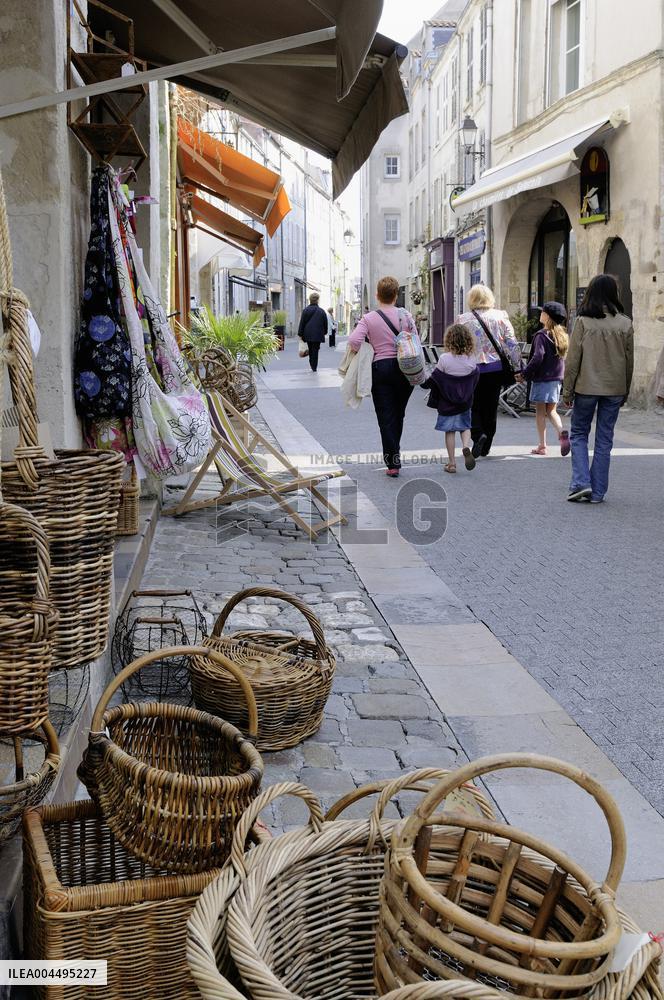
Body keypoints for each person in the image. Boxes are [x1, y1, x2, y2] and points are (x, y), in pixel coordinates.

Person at [563, 274, 634, 503]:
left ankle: (581, 483)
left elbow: (572, 360)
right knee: (605, 439)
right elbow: (630, 360)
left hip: (586, 387)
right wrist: (626, 390)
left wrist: (567, 391)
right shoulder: (625, 323)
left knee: (579, 434)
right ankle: (598, 492)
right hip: (614, 388)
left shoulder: (583, 322)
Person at [348, 275, 417, 477]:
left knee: (385, 416)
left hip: (381, 368)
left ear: (377, 295)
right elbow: (416, 340)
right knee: (399, 413)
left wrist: (370, 346)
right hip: (405, 367)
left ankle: (393, 462)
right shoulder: (406, 316)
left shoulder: (369, 318)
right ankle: (395, 452)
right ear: (396, 295)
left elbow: (353, 341)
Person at [457, 284, 522, 458]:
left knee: (473, 405)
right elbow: (512, 343)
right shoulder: (501, 317)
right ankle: (486, 446)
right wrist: (518, 367)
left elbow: (457, 346)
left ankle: (478, 435)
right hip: (495, 369)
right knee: (491, 406)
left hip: (472, 368)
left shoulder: (463, 320)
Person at [515, 301, 570, 456]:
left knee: (540, 412)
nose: (540, 314)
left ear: (547, 316)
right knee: (552, 410)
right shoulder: (561, 336)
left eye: (542, 312)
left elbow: (538, 357)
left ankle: (542, 445)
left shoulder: (541, 335)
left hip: (543, 379)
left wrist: (525, 374)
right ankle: (561, 430)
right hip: (556, 379)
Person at [425, 323, 479, 474]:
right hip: (465, 403)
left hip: (447, 403)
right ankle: (466, 446)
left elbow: (435, 379)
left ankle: (452, 463)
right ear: (468, 340)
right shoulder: (471, 360)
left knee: (450, 432)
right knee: (465, 427)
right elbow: (475, 380)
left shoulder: (444, 359)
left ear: (449, 340)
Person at [297, 292, 328, 372]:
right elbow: (325, 323)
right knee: (316, 350)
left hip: (308, 334)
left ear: (310, 300)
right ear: (317, 300)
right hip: (318, 334)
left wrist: (300, 333)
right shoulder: (322, 311)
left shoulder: (306, 310)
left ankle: (312, 364)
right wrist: (324, 332)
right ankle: (314, 366)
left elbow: (302, 323)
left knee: (310, 349)